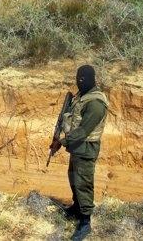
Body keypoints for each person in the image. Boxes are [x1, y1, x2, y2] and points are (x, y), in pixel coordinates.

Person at [50, 64, 109, 241]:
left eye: (83, 79)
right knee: (73, 178)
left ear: (92, 79)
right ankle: (76, 208)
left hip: (86, 148)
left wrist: (61, 142)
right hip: (77, 147)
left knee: (83, 183)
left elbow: (84, 131)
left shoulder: (96, 103)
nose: (79, 81)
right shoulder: (81, 96)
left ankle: (85, 221)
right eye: (78, 78)